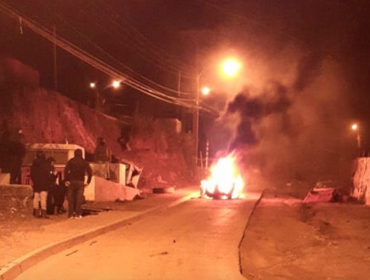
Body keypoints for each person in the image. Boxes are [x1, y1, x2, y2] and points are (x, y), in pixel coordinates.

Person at [64, 149, 92, 219]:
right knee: (79, 198)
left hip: (72, 181)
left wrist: (66, 180)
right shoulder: (84, 162)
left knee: (71, 198)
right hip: (80, 182)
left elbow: (66, 170)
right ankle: (77, 214)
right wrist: (88, 182)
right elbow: (90, 172)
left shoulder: (71, 161)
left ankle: (70, 214)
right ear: (81, 154)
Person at [30, 150, 52, 219]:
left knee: (36, 198)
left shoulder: (33, 164)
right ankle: (43, 214)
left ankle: (36, 213)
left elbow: (32, 174)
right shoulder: (46, 164)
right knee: (43, 198)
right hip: (44, 183)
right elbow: (48, 175)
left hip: (36, 183)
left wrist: (35, 181)